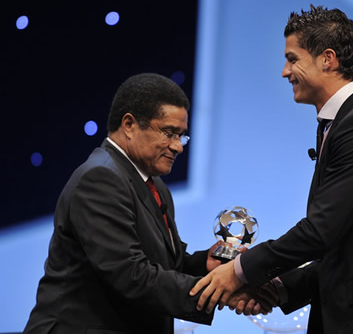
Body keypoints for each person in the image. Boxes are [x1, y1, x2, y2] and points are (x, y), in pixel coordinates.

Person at [190, 6, 353, 333]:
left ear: (327, 59)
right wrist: (281, 288)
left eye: (293, 59)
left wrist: (239, 271)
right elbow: (344, 249)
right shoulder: (343, 124)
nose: (284, 71)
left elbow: (321, 232)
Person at [24, 73, 264, 334]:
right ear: (129, 124)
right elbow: (130, 274)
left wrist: (204, 265)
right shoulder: (99, 179)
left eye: (182, 136)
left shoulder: (155, 185)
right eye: (169, 133)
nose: (178, 147)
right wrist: (219, 291)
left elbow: (160, 265)